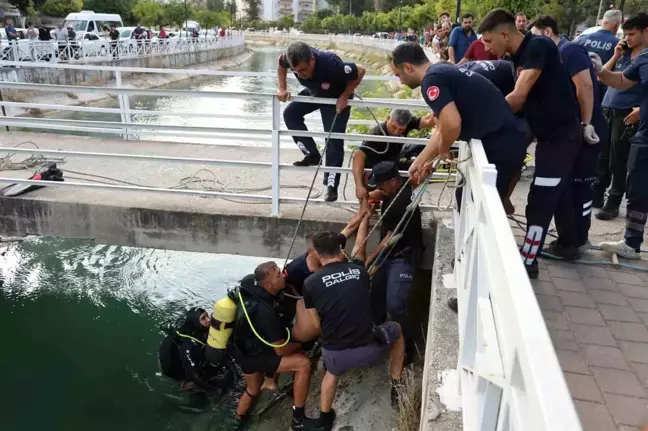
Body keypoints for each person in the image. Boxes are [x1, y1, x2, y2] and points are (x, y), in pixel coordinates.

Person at [478, 9, 582, 278]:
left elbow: (519, 96)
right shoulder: (516, 57)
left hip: (561, 137)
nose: (486, 48)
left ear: (504, 33)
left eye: (489, 41)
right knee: (557, 192)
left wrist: (481, 119)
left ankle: (527, 262)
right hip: (547, 136)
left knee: (540, 200)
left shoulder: (538, 45)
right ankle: (570, 244)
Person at [390, 43, 527, 204]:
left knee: (480, 205)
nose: (400, 82)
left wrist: (443, 151)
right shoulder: (441, 71)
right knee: (465, 198)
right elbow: (441, 129)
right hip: (503, 141)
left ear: (408, 67)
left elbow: (452, 124)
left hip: (501, 146)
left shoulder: (431, 80)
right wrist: (420, 162)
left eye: (398, 75)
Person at [303, 231, 405, 430]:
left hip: (335, 355)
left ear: (316, 253)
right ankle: (397, 386)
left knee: (331, 374)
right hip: (369, 351)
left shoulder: (310, 283)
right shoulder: (360, 273)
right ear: (341, 250)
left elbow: (316, 324)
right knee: (397, 329)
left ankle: (325, 418)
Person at [530, 16, 607, 253]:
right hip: (572, 129)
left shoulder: (569, 50)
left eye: (535, 35)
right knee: (562, 188)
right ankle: (568, 239)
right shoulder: (556, 56)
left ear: (547, 32)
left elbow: (584, 87)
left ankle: (577, 239)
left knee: (579, 187)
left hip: (587, 129)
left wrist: (586, 124)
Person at [232, 262, 319, 429]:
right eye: (279, 275)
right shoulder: (266, 312)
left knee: (253, 389)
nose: (284, 275)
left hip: (242, 350)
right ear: (268, 285)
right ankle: (298, 420)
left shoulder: (254, 290)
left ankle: (238, 420)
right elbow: (280, 350)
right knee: (303, 364)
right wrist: (302, 343)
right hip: (254, 356)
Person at [277, 41, 367, 202]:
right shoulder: (290, 59)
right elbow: (280, 64)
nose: (301, 74)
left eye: (304, 70)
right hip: (315, 92)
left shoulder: (331, 63)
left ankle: (331, 186)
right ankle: (311, 154)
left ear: (312, 60)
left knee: (333, 140)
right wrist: (282, 88)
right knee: (290, 114)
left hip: (336, 98)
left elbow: (360, 70)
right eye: (296, 71)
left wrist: (345, 95)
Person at [590, 13, 648, 260]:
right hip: (644, 136)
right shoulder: (641, 59)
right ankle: (631, 243)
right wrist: (601, 70)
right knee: (637, 187)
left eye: (633, 34)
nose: (628, 38)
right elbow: (623, 80)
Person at [363, 161, 421, 362]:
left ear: (393, 182)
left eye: (381, 185)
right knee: (373, 298)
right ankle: (375, 336)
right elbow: (380, 192)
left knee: (395, 304)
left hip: (401, 255)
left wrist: (368, 261)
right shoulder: (401, 184)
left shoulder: (399, 203)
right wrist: (368, 196)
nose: (378, 188)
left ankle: (407, 344)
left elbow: (388, 240)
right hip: (388, 256)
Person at [352, 109, 435, 213]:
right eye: (393, 127)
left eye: (400, 130)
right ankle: (373, 196)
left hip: (393, 165)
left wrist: (443, 107)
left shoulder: (407, 123)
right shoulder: (376, 134)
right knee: (392, 185)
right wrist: (359, 186)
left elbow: (428, 120)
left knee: (423, 168)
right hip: (375, 173)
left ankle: (393, 196)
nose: (396, 132)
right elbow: (358, 156)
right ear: (388, 119)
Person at [159, 307, 238, 393]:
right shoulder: (188, 346)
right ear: (196, 322)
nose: (208, 320)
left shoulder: (200, 330)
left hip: (197, 354)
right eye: (203, 318)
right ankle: (188, 385)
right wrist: (218, 390)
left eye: (207, 315)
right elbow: (195, 376)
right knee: (210, 380)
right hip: (182, 369)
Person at [576, 9, 622, 102]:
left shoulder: (582, 39)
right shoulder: (618, 45)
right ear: (617, 24)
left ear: (602, 22)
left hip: (578, 87)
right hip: (601, 91)